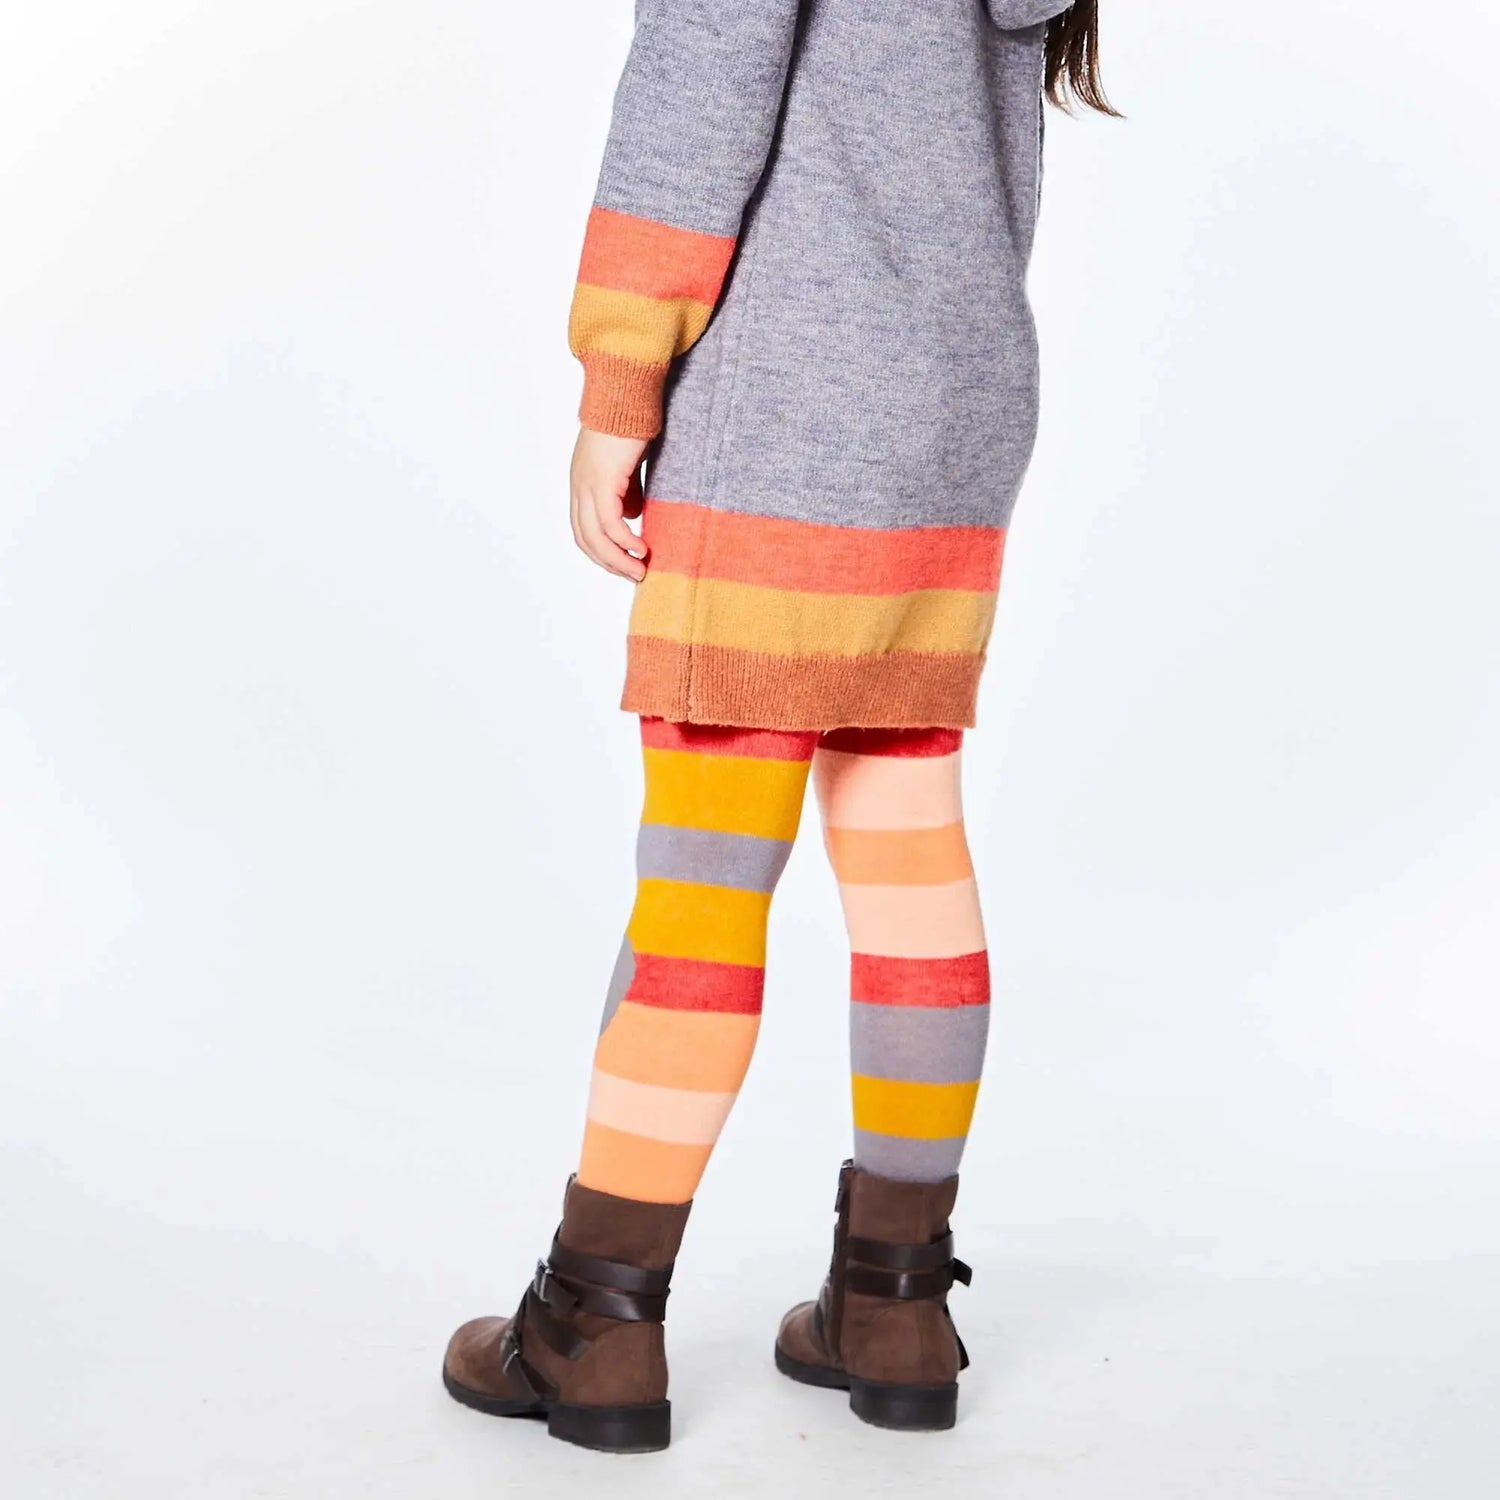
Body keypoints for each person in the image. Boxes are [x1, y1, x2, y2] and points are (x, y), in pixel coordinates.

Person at [443, 0, 1116, 1453]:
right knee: (908, 841)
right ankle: (895, 1303)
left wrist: (619, 385)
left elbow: (698, 89)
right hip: (953, 407)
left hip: (785, 399)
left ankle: (595, 1320)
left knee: (702, 889)